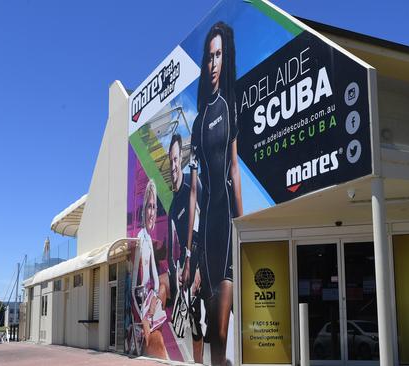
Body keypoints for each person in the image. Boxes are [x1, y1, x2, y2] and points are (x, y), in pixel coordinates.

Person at [184, 21, 243, 366]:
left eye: (219, 55)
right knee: (213, 336)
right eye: (209, 57)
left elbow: (233, 170)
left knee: (222, 330)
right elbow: (193, 191)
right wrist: (191, 253)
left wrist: (243, 224)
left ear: (225, 58)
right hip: (206, 237)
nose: (214, 63)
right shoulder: (197, 122)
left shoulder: (229, 105)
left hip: (228, 226)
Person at [167, 132, 205, 362]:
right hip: (187, 275)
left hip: (204, 264)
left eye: (175, 160)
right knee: (194, 323)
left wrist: (200, 268)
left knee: (213, 319)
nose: (173, 166)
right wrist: (180, 274)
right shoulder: (172, 207)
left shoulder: (193, 184)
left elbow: (206, 225)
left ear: (180, 158)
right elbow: (175, 251)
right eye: (170, 161)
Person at [131, 179, 168, 359]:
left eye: (154, 207)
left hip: (149, 303)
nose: (152, 213)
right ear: (143, 209)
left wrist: (154, 301)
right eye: (149, 207)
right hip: (142, 304)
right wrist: (144, 314)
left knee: (163, 284)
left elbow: (154, 277)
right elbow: (135, 285)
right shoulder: (140, 240)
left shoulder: (148, 240)